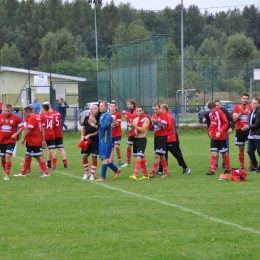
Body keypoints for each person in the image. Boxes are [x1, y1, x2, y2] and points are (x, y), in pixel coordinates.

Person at [88, 101, 121, 181]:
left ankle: (102, 177)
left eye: (102, 106)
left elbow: (104, 127)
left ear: (106, 107)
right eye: (100, 106)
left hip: (106, 140)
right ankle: (117, 170)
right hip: (102, 139)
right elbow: (100, 128)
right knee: (105, 158)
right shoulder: (103, 115)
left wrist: (95, 122)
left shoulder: (107, 116)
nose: (100, 107)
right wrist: (94, 125)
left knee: (104, 158)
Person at [14, 106, 50, 177]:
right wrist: (43, 140)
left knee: (38, 157)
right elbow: (42, 129)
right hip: (34, 140)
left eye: (24, 113)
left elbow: (29, 130)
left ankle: (46, 173)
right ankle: (23, 173)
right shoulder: (38, 116)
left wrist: (23, 138)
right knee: (27, 156)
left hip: (34, 141)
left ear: (28, 112)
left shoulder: (32, 118)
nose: (24, 115)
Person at [203, 100, 235, 170]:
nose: (212, 110)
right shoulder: (210, 114)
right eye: (210, 109)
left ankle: (227, 169)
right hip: (214, 137)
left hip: (221, 137)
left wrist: (220, 131)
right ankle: (212, 170)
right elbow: (211, 124)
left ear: (215, 107)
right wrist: (210, 131)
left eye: (213, 108)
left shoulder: (220, 113)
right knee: (213, 153)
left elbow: (226, 123)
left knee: (224, 153)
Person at [160, 104, 190, 174]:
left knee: (176, 154)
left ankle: (185, 168)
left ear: (164, 109)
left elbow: (169, 127)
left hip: (170, 138)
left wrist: (161, 128)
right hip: (165, 139)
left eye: (160, 108)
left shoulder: (168, 116)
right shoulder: (165, 116)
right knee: (163, 154)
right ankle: (162, 170)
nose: (159, 110)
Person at [0, 104, 24, 180]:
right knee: (2, 158)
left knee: (8, 156)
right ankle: (5, 169)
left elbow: (22, 127)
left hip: (11, 140)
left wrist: (16, 134)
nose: (7, 112)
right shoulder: (0, 116)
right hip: (1, 140)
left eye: (9, 111)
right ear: (4, 110)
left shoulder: (15, 117)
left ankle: (7, 173)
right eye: (6, 111)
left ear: (11, 111)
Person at [128, 106, 151, 180]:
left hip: (142, 140)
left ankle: (135, 174)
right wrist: (131, 127)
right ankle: (146, 174)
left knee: (139, 157)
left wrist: (134, 126)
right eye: (137, 111)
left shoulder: (146, 119)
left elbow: (143, 130)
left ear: (143, 111)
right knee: (142, 157)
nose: (138, 112)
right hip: (135, 139)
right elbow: (130, 131)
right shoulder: (135, 119)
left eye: (140, 111)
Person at [149, 102, 170, 178]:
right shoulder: (154, 116)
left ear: (160, 108)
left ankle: (152, 173)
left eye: (157, 109)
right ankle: (167, 173)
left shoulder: (164, 115)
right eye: (154, 109)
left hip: (162, 137)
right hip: (156, 137)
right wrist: (148, 124)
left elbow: (163, 126)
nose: (155, 111)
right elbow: (152, 128)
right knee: (161, 156)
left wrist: (155, 122)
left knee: (157, 155)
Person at [233, 93, 252, 169]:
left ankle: (251, 165)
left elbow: (253, 119)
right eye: (243, 98)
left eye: (246, 98)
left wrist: (248, 114)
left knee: (251, 148)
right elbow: (234, 119)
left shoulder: (251, 107)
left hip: (249, 130)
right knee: (241, 148)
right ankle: (242, 166)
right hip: (239, 130)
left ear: (248, 99)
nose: (245, 100)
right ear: (241, 99)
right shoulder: (236, 107)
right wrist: (240, 113)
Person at [241, 98, 260, 172]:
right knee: (249, 151)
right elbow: (251, 123)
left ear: (258, 104)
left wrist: (248, 127)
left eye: (255, 103)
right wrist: (247, 126)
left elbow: (258, 124)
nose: (253, 104)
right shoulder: (252, 111)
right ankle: (255, 166)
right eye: (252, 103)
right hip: (251, 135)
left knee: (259, 152)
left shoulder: (259, 112)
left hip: (258, 135)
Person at [81, 105, 99, 181]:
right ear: (91, 110)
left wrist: (90, 135)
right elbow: (83, 128)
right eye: (95, 108)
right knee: (84, 156)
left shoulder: (98, 119)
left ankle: (92, 174)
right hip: (86, 140)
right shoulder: (86, 118)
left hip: (95, 140)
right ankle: (87, 173)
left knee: (94, 157)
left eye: (97, 109)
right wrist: (82, 136)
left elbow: (99, 131)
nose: (97, 110)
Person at [121, 99, 137, 167]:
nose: (127, 106)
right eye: (127, 104)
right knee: (128, 147)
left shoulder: (136, 111)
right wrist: (127, 118)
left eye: (128, 104)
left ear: (132, 105)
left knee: (138, 148)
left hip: (136, 133)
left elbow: (133, 116)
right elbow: (131, 120)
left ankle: (143, 161)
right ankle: (128, 162)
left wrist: (126, 112)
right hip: (131, 133)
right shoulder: (130, 112)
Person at [41, 103, 57, 170]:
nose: (41, 110)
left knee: (39, 151)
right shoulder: (52, 116)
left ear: (44, 109)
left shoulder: (42, 116)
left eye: (41, 108)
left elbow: (41, 126)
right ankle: (54, 166)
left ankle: (42, 167)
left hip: (44, 135)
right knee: (52, 151)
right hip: (52, 135)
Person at [109, 102, 124, 166]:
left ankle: (119, 159)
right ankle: (111, 161)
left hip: (117, 133)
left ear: (115, 107)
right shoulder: (107, 114)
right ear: (109, 107)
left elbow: (117, 124)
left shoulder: (118, 114)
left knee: (117, 146)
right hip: (110, 134)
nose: (112, 107)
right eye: (111, 106)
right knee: (111, 148)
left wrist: (112, 120)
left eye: (113, 106)